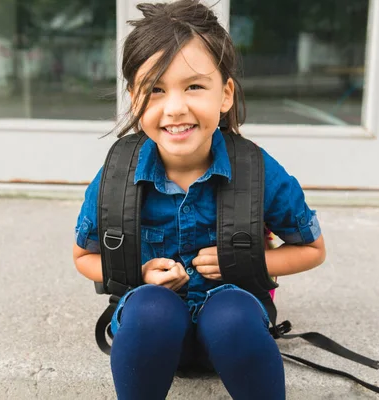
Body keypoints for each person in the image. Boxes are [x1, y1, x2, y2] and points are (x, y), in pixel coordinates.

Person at [72, 1, 326, 398]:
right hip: (150, 334)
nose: (174, 108)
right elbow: (83, 257)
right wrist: (138, 274)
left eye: (193, 86)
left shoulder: (256, 171)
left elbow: (312, 250)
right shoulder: (118, 175)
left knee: (231, 315)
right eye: (154, 90)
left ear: (224, 94)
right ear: (133, 99)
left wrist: (243, 262)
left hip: (231, 330)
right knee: (151, 308)